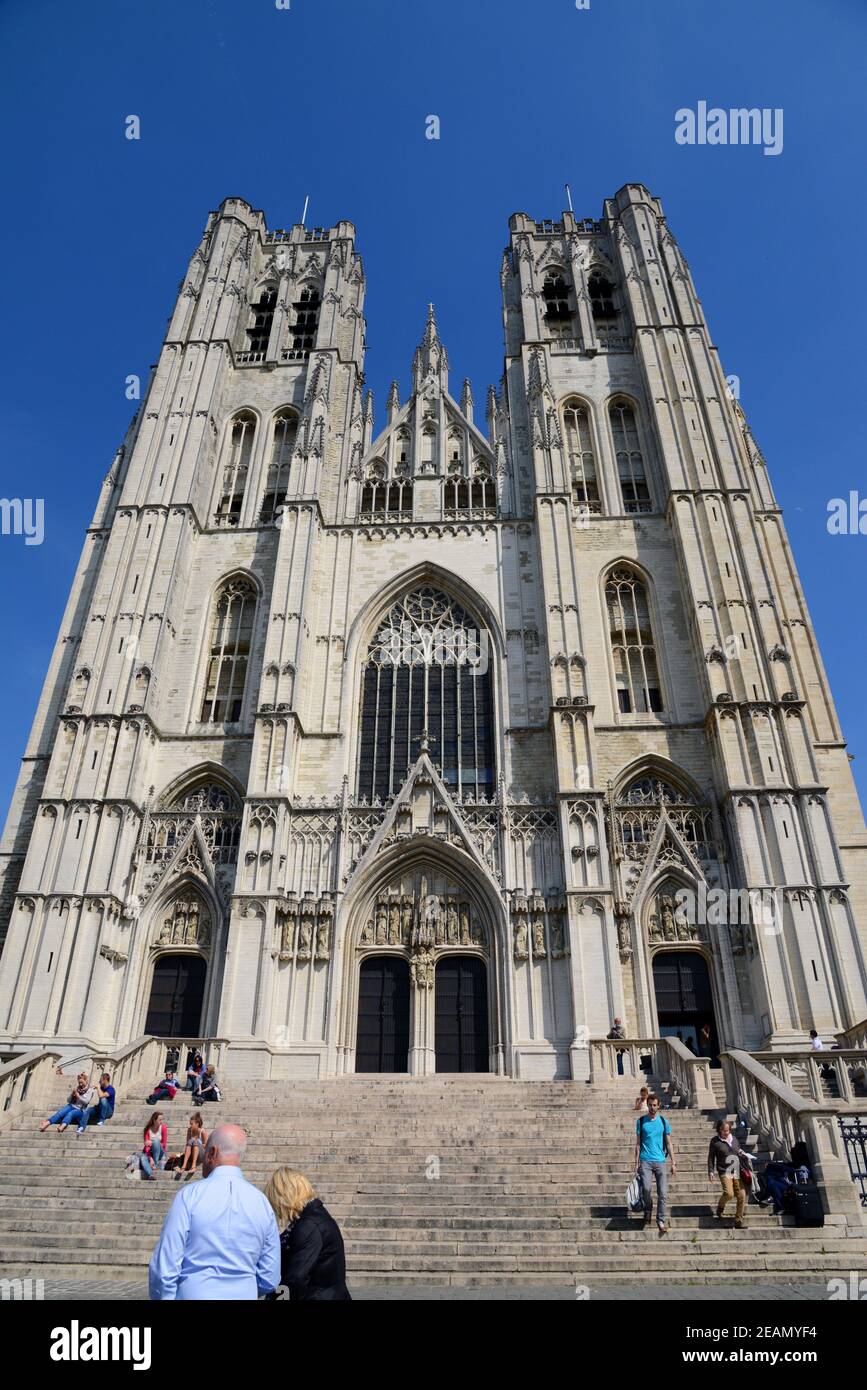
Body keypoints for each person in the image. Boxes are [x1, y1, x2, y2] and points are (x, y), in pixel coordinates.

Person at [149, 1123, 281, 1300]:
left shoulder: (189, 1196)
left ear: (212, 1153)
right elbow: (269, 1277)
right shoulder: (262, 1203)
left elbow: (165, 1267)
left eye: (204, 1152)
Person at [264, 1168, 351, 1301]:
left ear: (284, 1197)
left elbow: (295, 1278)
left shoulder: (309, 1226)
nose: (276, 1209)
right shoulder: (314, 1217)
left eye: (274, 1202)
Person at [633, 1092, 676, 1234]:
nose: (652, 1108)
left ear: (658, 1106)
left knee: (663, 1193)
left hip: (660, 1161)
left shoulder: (664, 1122)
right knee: (646, 1189)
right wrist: (636, 1162)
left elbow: (669, 1143)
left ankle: (660, 1219)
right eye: (650, 1105)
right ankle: (648, 1208)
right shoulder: (640, 1121)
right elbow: (638, 1144)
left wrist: (673, 1162)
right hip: (645, 1160)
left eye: (654, 1105)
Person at [707, 1119, 746, 1228]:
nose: (727, 1133)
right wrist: (711, 1171)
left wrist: (742, 1154)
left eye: (728, 1130)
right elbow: (711, 1157)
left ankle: (738, 1220)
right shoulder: (715, 1141)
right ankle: (720, 1207)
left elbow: (738, 1151)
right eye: (725, 1131)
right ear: (719, 1130)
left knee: (742, 1195)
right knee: (729, 1193)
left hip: (736, 1169)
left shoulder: (734, 1139)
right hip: (725, 1170)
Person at [176, 1112, 208, 1180]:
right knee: (191, 1141)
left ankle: (193, 1166)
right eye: (190, 1124)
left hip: (200, 1154)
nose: (190, 1125)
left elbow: (205, 1145)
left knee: (193, 1141)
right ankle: (184, 1166)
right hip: (191, 1153)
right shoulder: (189, 1130)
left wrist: (196, 1143)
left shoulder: (202, 1131)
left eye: (192, 1124)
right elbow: (188, 1143)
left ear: (197, 1124)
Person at [139, 1111, 168, 1180]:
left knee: (156, 1142)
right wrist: (150, 1158)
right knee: (143, 1157)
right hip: (149, 1153)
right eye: (160, 1120)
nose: (161, 1122)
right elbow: (146, 1147)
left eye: (162, 1120)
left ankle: (154, 1164)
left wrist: (151, 1142)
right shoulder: (147, 1129)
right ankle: (150, 1174)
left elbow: (163, 1144)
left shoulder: (163, 1128)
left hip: (160, 1152)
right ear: (154, 1120)